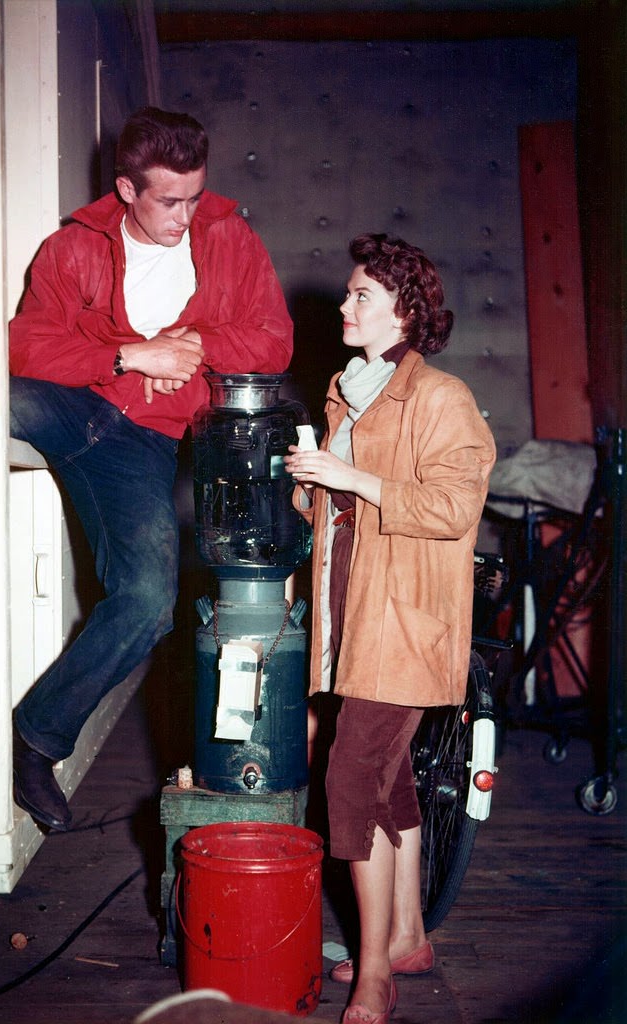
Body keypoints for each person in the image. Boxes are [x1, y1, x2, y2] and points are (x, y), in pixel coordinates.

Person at [0, 107, 293, 832]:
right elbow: (24, 346)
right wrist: (128, 356)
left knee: (147, 602)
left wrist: (192, 343)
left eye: (195, 197)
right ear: (127, 189)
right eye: (170, 201)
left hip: (144, 441)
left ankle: (33, 741)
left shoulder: (231, 238)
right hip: (71, 405)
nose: (186, 216)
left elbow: (273, 341)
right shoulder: (73, 246)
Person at [285, 234, 495, 1024]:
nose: (344, 306)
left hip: (404, 618)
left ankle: (373, 972)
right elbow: (343, 511)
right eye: (348, 294)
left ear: (403, 311)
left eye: (359, 296)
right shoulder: (350, 389)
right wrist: (313, 487)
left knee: (350, 776)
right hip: (350, 605)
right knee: (388, 774)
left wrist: (350, 476)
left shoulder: (440, 397)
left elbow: (453, 508)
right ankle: (406, 937)